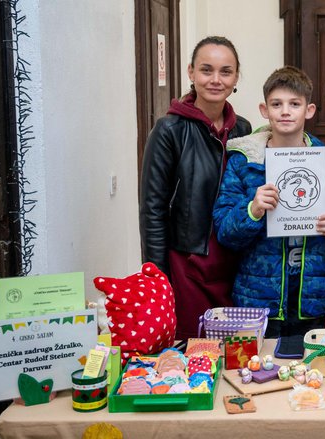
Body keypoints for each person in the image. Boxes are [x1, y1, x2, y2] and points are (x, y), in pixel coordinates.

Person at [213, 66, 325, 348]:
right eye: (276, 104)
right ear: (264, 110)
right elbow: (224, 232)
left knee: (309, 376)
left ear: (310, 110)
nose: (285, 111)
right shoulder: (245, 162)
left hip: (312, 298)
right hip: (259, 298)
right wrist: (252, 210)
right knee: (260, 372)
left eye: (295, 104)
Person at [139, 36, 252, 340]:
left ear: (236, 77)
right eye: (206, 70)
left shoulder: (243, 129)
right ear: (191, 72)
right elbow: (153, 210)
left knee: (237, 350)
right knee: (195, 349)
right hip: (188, 263)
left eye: (225, 71)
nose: (216, 80)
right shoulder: (169, 130)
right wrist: (156, 278)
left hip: (233, 259)